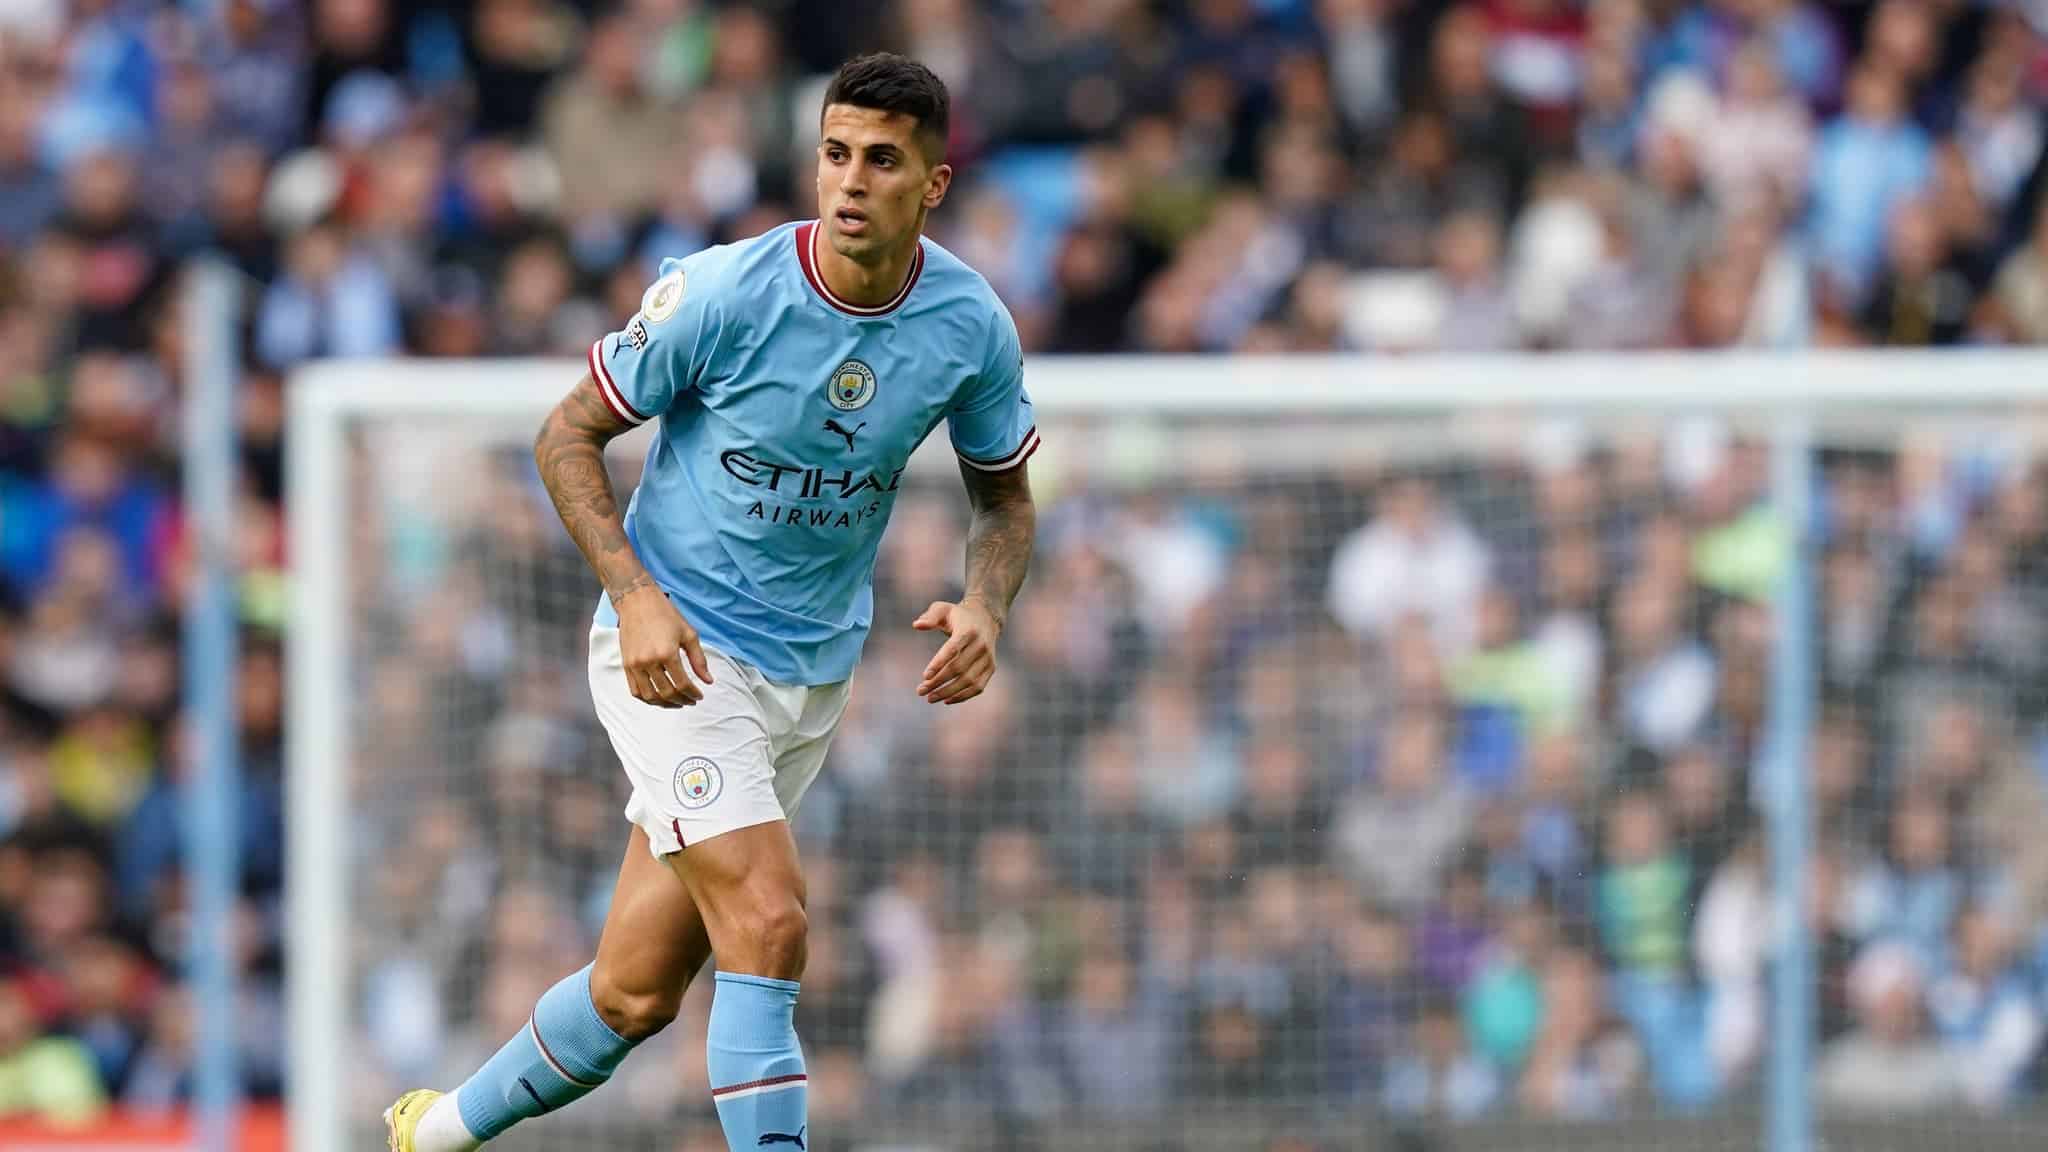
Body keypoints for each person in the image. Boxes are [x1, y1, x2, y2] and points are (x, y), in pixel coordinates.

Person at [384, 52, 1038, 1152]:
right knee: (771, 924)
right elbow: (565, 433)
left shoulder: (969, 327)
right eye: (835, 154)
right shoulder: (727, 292)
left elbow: (1005, 499)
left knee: (634, 994)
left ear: (931, 185)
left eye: (881, 161)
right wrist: (633, 598)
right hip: (675, 650)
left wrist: (985, 604)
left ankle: (434, 1133)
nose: (848, 181)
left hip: (810, 671)